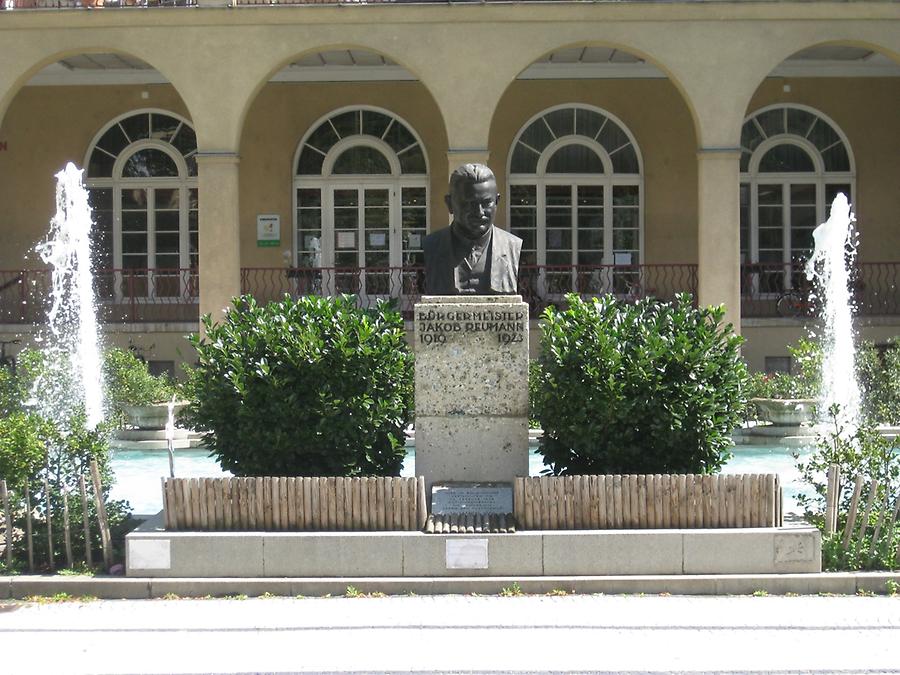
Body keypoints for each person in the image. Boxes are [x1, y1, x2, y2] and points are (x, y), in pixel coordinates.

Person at [423, 163, 521, 295]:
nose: (479, 212)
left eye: (486, 203)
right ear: (450, 204)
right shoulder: (433, 245)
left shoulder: (511, 246)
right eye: (469, 204)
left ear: (497, 202)